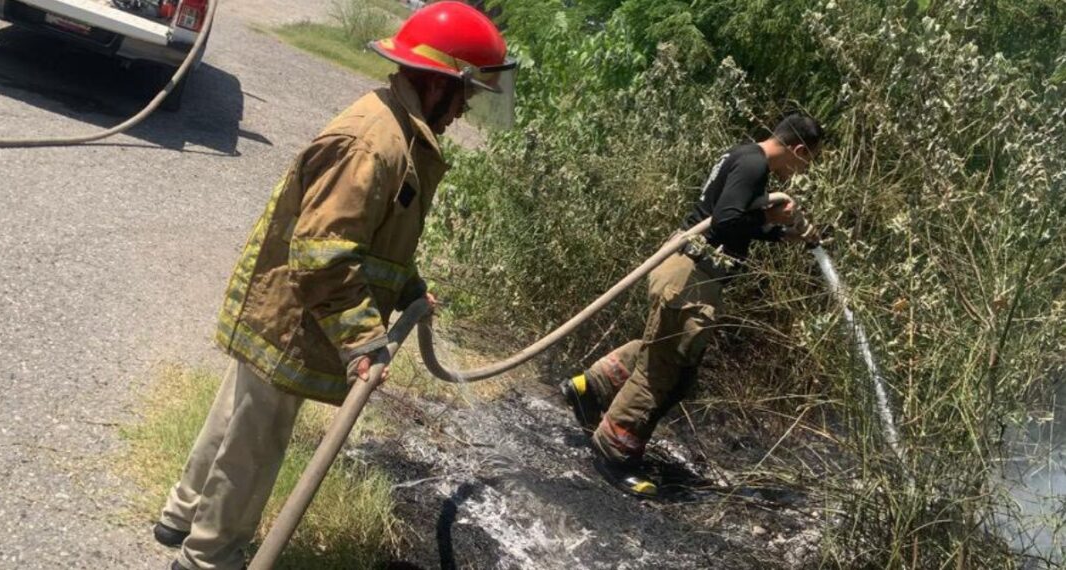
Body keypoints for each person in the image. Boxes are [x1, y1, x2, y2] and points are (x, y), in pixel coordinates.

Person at [150, 3, 516, 568]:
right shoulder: (375, 144)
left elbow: (372, 237)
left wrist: (408, 288)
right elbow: (324, 255)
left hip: (291, 308)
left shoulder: (399, 130)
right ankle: (208, 558)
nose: (465, 111)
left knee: (237, 416)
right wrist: (363, 342)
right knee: (255, 445)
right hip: (297, 316)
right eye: (465, 95)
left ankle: (181, 516)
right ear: (439, 82)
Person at [561, 114, 825, 497]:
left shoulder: (745, 157)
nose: (802, 172)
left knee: (661, 351)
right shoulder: (753, 164)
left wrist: (778, 233)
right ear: (798, 150)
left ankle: (591, 387)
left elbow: (731, 218)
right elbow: (725, 221)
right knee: (667, 372)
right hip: (692, 276)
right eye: (807, 162)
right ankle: (614, 451)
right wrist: (769, 216)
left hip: (685, 270)